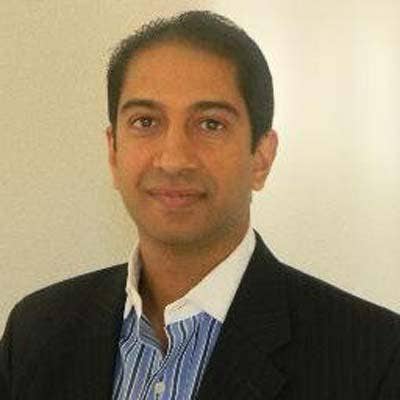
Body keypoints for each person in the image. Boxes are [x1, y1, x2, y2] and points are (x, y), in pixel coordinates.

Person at [0, 10, 399, 400]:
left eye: (211, 124)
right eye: (145, 122)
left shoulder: (373, 356)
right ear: (113, 152)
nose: (173, 159)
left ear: (261, 157)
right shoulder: (36, 334)